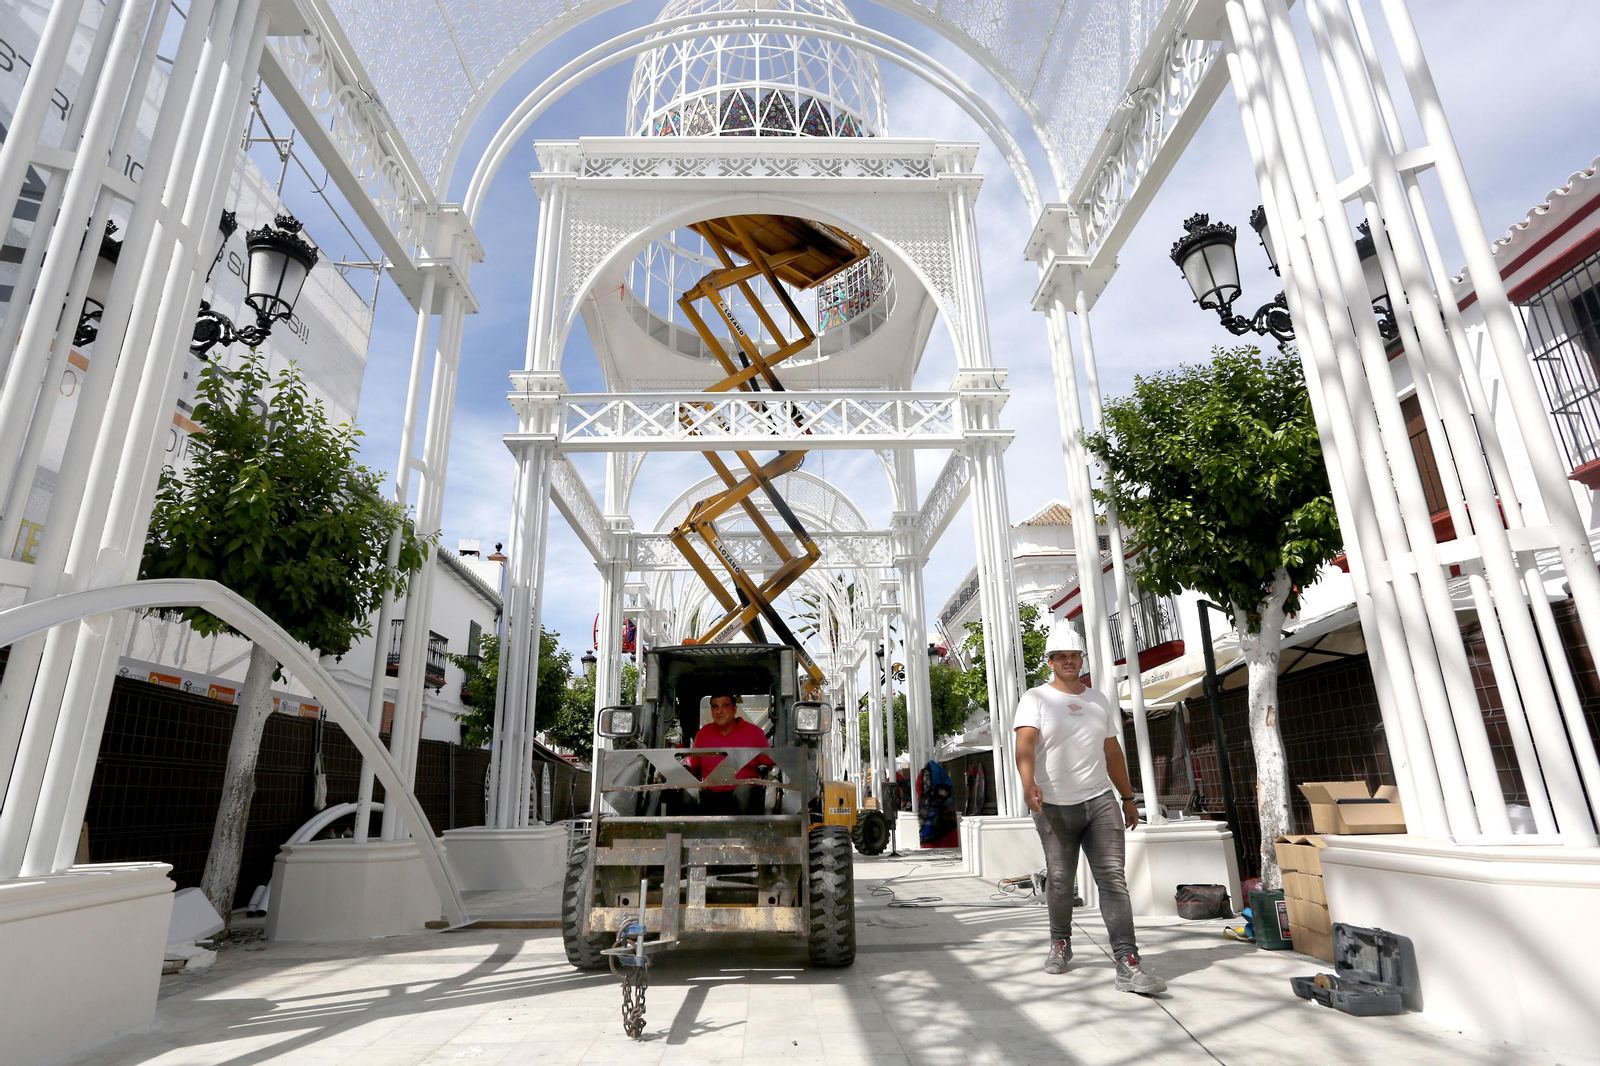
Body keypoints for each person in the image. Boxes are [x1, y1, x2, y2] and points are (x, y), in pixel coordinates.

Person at [1014, 621, 1167, 994]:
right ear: (1050, 662)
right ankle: (1060, 942)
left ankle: (1128, 962)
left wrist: (1128, 798)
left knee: (1113, 880)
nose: (1069, 661)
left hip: (1101, 801)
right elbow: (1025, 746)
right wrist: (1027, 782)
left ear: (1082, 659)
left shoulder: (1098, 700)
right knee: (1061, 879)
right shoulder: (1035, 699)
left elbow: (1111, 751)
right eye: (1061, 656)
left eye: (1074, 655)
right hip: (1054, 806)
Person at [688, 694, 774, 815]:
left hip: (743, 792)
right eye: (715, 707)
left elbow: (771, 766)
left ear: (734, 709)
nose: (719, 711)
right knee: (687, 793)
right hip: (709, 794)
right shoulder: (703, 734)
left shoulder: (754, 733)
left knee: (744, 792)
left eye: (725, 706)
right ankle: (684, 832)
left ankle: (745, 833)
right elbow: (692, 765)